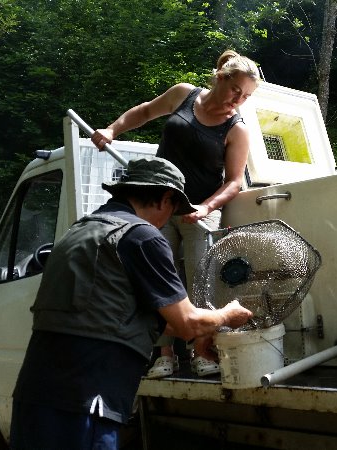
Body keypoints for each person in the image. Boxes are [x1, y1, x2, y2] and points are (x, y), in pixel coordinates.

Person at [10, 157, 253, 450]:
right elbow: (187, 322)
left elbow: (111, 314)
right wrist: (226, 315)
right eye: (175, 209)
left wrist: (203, 332)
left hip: (34, 394)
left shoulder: (78, 231)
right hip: (86, 400)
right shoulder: (141, 237)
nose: (169, 220)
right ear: (165, 199)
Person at [91, 49, 261, 378]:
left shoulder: (237, 129)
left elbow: (235, 182)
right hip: (157, 206)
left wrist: (206, 207)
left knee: (201, 281)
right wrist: (112, 130)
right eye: (235, 91)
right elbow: (143, 112)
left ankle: (201, 351)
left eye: (246, 97)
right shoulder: (184, 95)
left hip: (199, 211)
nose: (238, 101)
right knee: (159, 278)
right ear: (220, 78)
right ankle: (164, 353)